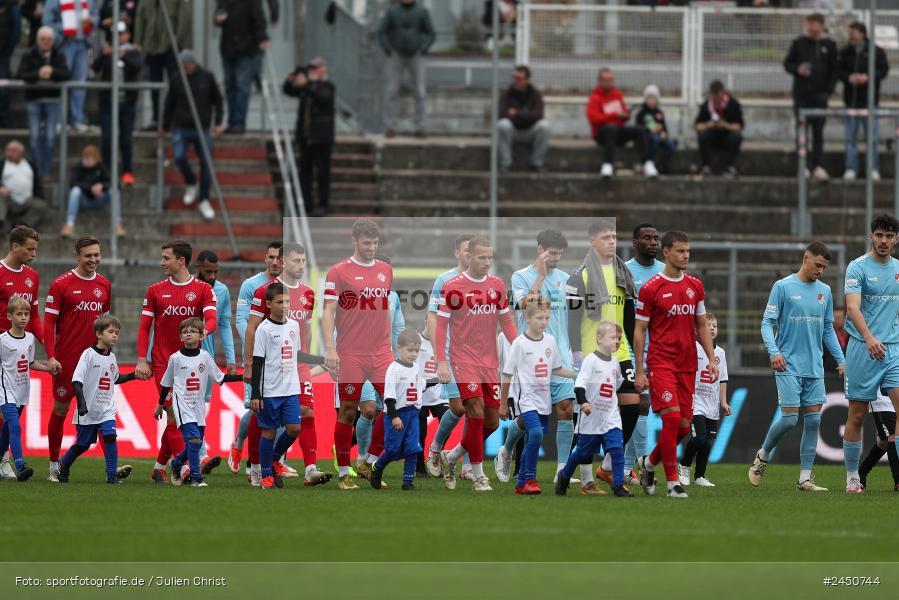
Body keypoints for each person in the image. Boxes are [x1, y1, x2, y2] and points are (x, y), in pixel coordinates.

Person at [750, 242, 843, 492]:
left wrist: (841, 360)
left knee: (813, 422)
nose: (821, 271)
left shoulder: (825, 290)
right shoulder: (783, 287)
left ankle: (804, 479)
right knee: (790, 420)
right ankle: (764, 453)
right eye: (817, 265)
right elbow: (766, 323)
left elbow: (828, 330)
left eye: (824, 267)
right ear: (806, 258)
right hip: (787, 364)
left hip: (814, 367)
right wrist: (774, 352)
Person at [634, 230, 717, 499]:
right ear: (666, 252)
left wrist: (712, 358)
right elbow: (639, 331)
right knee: (671, 420)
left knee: (682, 427)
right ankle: (672, 483)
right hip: (661, 362)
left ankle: (648, 464)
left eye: (688, 252)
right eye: (680, 251)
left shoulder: (695, 286)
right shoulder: (651, 289)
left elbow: (701, 324)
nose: (685, 256)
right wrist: (639, 368)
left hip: (687, 364)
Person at [435, 235, 518, 492]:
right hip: (462, 360)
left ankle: (452, 455)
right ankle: (478, 475)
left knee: (492, 423)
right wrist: (441, 362)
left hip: (489, 362)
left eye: (490, 257)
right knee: (476, 412)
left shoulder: (496, 284)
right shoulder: (452, 286)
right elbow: (440, 327)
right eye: (482, 257)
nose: (487, 262)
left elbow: (506, 322)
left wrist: (520, 349)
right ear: (468, 256)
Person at [245, 243, 330, 486]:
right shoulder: (265, 292)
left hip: (296, 363)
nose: (301, 265)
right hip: (270, 367)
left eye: (303, 260)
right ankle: (257, 466)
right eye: (296, 260)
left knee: (306, 414)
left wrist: (316, 358)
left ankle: (310, 467)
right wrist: (249, 364)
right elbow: (252, 327)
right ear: (282, 262)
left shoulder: (308, 293)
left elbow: (306, 333)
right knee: (260, 419)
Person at [498, 229, 576, 487]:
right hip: (531, 360)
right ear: (540, 249)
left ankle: (562, 471)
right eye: (552, 253)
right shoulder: (520, 276)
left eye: (559, 255)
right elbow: (522, 306)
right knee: (529, 417)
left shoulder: (566, 279)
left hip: (560, 355)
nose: (556, 259)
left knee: (566, 410)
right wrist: (541, 277)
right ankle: (507, 449)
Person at [567, 219, 640, 491]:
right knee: (589, 418)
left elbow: (630, 320)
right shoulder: (580, 275)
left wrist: (638, 357)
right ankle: (585, 481)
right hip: (592, 354)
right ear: (592, 240)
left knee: (633, 405)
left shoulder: (623, 274)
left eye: (614, 236)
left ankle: (608, 465)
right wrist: (576, 352)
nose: (612, 241)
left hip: (620, 353)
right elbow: (572, 320)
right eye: (606, 237)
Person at [136, 240, 217, 484]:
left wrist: (204, 332)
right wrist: (142, 359)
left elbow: (211, 318)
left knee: (175, 419)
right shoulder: (155, 290)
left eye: (166, 258)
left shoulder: (203, 289)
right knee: (173, 414)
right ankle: (184, 470)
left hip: (192, 365)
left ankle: (160, 466)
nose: (162, 262)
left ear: (181, 261)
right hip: (163, 362)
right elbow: (144, 327)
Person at [322, 220, 394, 490]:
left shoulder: (386, 270)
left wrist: (387, 341)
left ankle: (368, 462)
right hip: (350, 353)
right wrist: (330, 348)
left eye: (375, 243)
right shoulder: (338, 272)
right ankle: (343, 473)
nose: (371, 248)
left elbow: (384, 307)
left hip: (381, 353)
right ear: (354, 241)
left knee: (395, 405)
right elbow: (328, 311)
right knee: (349, 412)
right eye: (366, 243)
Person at [44, 236, 115, 482]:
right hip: (67, 360)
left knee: (103, 413)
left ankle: (111, 469)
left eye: (97, 255)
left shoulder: (104, 285)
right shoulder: (61, 284)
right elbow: (49, 322)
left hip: (96, 362)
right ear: (77, 256)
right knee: (61, 409)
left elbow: (105, 325)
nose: (93, 259)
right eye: (88, 255)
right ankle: (54, 465)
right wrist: (51, 356)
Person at [840, 215, 899, 493]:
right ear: (871, 237)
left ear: (896, 239)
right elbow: (852, 308)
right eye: (879, 235)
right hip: (863, 348)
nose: (884, 241)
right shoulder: (858, 268)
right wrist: (869, 337)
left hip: (893, 350)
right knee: (858, 415)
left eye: (889, 236)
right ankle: (853, 476)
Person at [500, 296, 575, 495]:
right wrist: (502, 403)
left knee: (535, 437)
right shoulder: (519, 343)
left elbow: (558, 368)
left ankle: (521, 483)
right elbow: (507, 373)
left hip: (544, 400)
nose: (544, 322)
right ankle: (530, 479)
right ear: (527, 317)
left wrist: (579, 375)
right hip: (526, 399)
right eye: (539, 318)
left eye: (547, 318)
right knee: (536, 434)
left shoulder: (550, 341)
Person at [156, 317, 242, 487]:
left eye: (193, 331)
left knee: (196, 442)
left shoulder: (205, 357)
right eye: (185, 332)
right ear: (180, 337)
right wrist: (160, 405)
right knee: (194, 440)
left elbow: (221, 377)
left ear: (202, 336)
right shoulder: (175, 358)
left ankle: (176, 463)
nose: (188, 334)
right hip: (182, 405)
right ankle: (196, 477)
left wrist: (243, 378)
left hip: (199, 407)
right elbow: (166, 384)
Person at [53, 315, 136, 484]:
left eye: (117, 333)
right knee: (83, 445)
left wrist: (134, 375)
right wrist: (82, 404)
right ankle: (63, 464)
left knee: (110, 436)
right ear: (99, 334)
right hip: (88, 410)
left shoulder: (112, 357)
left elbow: (116, 378)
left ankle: (112, 475)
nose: (115, 335)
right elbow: (76, 380)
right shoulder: (88, 354)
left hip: (106, 409)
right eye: (111, 332)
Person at [555, 320, 632, 498]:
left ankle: (618, 485)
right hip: (591, 418)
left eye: (619, 338)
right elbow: (580, 386)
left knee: (617, 449)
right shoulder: (590, 360)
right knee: (583, 453)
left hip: (611, 417)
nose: (617, 341)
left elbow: (618, 384)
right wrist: (584, 402)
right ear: (599, 339)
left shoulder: (615, 362)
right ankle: (564, 476)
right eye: (613, 337)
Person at [229, 241, 282, 475]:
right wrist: (254, 348)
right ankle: (239, 444)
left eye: (279, 258)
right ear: (265, 258)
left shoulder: (289, 286)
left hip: (282, 356)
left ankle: (273, 462)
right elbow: (241, 320)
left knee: (280, 408)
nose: (274, 262)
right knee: (255, 408)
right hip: (256, 354)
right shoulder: (250, 285)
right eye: (271, 257)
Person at [423, 234, 474, 478]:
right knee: (458, 407)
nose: (469, 255)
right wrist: (438, 352)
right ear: (457, 252)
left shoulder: (484, 281)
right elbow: (433, 315)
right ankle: (435, 449)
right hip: (452, 353)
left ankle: (464, 465)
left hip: (476, 355)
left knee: (476, 408)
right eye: (466, 251)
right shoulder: (444, 280)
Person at [369, 328, 440, 491]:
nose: (414, 354)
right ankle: (377, 467)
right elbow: (389, 396)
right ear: (399, 347)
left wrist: (437, 380)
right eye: (410, 350)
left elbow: (421, 385)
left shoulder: (415, 367)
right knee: (393, 449)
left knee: (413, 447)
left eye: (416, 350)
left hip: (413, 414)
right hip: (396, 414)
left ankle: (407, 482)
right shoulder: (393, 369)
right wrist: (394, 416)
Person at [623, 224, 665, 483]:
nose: (653, 242)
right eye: (647, 238)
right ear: (635, 241)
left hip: (659, 349)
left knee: (639, 409)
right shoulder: (625, 271)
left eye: (656, 238)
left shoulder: (664, 272)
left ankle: (627, 469)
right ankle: (642, 462)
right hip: (629, 347)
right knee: (640, 404)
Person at [161, 50, 224, 221]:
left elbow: (218, 101)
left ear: (194, 63)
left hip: (202, 127)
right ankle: (190, 182)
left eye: (188, 66)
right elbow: (169, 103)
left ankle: (203, 199)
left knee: (206, 162)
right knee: (179, 156)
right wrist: (164, 125)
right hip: (181, 126)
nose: (186, 69)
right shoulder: (176, 79)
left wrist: (218, 122)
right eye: (183, 66)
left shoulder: (207, 77)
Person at [0, 298, 58, 482]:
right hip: (5, 389)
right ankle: (20, 466)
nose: (24, 318)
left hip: (22, 390)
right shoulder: (2, 340)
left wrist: (47, 368)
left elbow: (30, 363)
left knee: (6, 431)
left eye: (26, 314)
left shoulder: (30, 338)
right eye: (19, 314)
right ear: (9, 316)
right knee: (15, 426)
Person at [192, 250, 235, 475]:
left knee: (199, 407)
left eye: (215, 272)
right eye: (208, 271)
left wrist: (231, 359)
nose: (212, 276)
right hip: (181, 358)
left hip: (205, 362)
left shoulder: (222, 291)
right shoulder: (187, 288)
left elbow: (224, 325)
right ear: (197, 266)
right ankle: (199, 454)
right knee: (189, 408)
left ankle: (180, 456)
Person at [784, 13, 838, 182]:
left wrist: (828, 91)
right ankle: (803, 165)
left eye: (814, 23)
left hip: (820, 96)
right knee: (802, 132)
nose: (811, 27)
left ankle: (817, 165)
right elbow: (787, 63)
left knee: (818, 132)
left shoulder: (829, 45)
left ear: (821, 25)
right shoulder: (799, 43)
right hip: (802, 96)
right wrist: (797, 69)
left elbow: (834, 70)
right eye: (809, 23)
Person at [678, 313, 730, 487]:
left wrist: (723, 402)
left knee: (707, 444)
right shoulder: (693, 348)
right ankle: (684, 465)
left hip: (712, 405)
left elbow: (723, 379)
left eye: (715, 325)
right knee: (699, 439)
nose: (713, 328)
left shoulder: (721, 353)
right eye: (709, 325)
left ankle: (700, 476)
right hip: (696, 403)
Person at [92, 20, 144, 187]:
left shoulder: (133, 51)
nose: (118, 38)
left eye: (121, 34)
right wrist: (104, 54)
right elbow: (95, 67)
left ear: (127, 35)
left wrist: (124, 55)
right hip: (108, 102)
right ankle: (107, 172)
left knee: (126, 139)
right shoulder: (107, 51)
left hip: (127, 102)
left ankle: (127, 172)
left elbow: (137, 67)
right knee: (107, 137)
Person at [284, 57, 335, 216]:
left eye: (315, 68)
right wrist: (290, 79)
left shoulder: (327, 86)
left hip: (322, 138)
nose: (312, 71)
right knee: (304, 172)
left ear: (323, 69)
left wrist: (306, 85)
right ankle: (306, 204)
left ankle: (323, 203)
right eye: (311, 68)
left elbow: (324, 99)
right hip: (306, 137)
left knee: (322, 172)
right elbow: (289, 91)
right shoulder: (307, 88)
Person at [838, 21, 889, 181]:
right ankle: (851, 167)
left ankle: (872, 168)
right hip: (851, 102)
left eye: (853, 32)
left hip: (870, 102)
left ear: (862, 33)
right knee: (850, 138)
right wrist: (849, 78)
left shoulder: (876, 51)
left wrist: (868, 77)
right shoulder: (845, 52)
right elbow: (839, 71)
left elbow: (883, 70)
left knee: (871, 139)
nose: (851, 36)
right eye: (850, 33)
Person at [17, 26, 70, 178]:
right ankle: (36, 172)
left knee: (49, 138)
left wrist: (52, 72)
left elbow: (66, 74)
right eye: (43, 39)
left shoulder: (58, 55)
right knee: (34, 138)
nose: (46, 42)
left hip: (52, 101)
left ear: (53, 41)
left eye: (49, 39)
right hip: (34, 100)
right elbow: (21, 74)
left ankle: (45, 172)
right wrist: (38, 73)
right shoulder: (29, 54)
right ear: (37, 40)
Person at [586, 68, 658, 179]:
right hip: (602, 134)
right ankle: (607, 165)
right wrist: (614, 115)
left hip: (618, 131)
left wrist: (625, 115)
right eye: (606, 80)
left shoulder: (617, 94)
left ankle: (647, 163)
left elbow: (622, 113)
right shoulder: (595, 98)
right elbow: (594, 118)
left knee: (639, 130)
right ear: (600, 81)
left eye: (611, 80)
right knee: (610, 128)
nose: (609, 83)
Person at [378, 0, 435, 138]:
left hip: (416, 54)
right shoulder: (392, 11)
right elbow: (382, 32)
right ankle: (390, 126)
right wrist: (388, 49)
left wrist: (423, 48)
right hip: (396, 54)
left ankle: (420, 127)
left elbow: (431, 33)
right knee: (391, 90)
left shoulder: (422, 11)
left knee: (420, 91)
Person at [133, 0, 192, 129]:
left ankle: (173, 118)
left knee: (175, 83)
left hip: (170, 45)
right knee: (155, 84)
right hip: (152, 46)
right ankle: (156, 118)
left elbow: (185, 17)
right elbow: (140, 18)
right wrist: (138, 41)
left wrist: (177, 41)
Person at [214, 0, 269, 134]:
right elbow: (217, 17)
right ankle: (232, 122)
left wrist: (262, 38)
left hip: (246, 49)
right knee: (230, 86)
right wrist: (218, 20)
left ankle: (238, 122)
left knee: (242, 86)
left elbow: (259, 19)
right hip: (227, 49)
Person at [42, 0, 96, 132]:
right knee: (61, 80)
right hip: (65, 43)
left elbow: (95, 16)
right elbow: (47, 20)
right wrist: (65, 27)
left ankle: (77, 119)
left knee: (79, 84)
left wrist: (90, 22)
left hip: (82, 44)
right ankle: (59, 120)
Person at [496, 65, 549, 172]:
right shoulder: (506, 94)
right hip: (512, 132)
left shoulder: (535, 94)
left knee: (544, 126)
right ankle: (505, 164)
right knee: (502, 125)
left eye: (519, 78)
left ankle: (536, 164)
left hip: (530, 131)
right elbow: (502, 114)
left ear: (527, 80)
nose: (516, 81)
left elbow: (539, 115)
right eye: (514, 77)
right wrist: (527, 115)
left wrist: (516, 113)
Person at [63, 144, 124, 238]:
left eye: (89, 158)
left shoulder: (102, 168)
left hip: (100, 199)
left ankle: (118, 225)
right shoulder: (78, 168)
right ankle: (69, 224)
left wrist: (102, 186)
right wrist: (90, 188)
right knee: (75, 191)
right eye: (85, 158)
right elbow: (73, 183)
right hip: (84, 200)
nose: (86, 161)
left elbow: (114, 182)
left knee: (114, 191)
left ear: (96, 159)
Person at [0, 226, 44, 342]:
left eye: (35, 249)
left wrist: (45, 341)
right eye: (29, 249)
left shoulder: (33, 275)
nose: (34, 254)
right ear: (15, 247)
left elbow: (34, 315)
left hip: (24, 346)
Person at [694, 80, 744, 178]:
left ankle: (729, 166)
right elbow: (697, 125)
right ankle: (706, 166)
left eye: (717, 95)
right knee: (703, 135)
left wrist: (725, 125)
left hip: (727, 136)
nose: (715, 98)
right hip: (712, 136)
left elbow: (739, 126)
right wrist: (709, 124)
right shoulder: (706, 106)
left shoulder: (733, 104)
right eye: (713, 95)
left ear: (722, 93)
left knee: (736, 137)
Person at [414, 328, 445, 475]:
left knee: (448, 419)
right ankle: (419, 467)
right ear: (426, 322)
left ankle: (435, 449)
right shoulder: (417, 340)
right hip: (420, 394)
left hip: (439, 393)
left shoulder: (444, 341)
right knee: (420, 433)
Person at [0, 141, 48, 231]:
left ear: (21, 152)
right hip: (9, 200)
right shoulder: (2, 164)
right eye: (8, 150)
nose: (9, 152)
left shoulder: (30, 164)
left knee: (41, 205)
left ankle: (22, 225)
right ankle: (1, 224)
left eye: (13, 150)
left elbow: (37, 183)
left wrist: (39, 196)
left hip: (27, 200)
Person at [858, 392, 899, 492]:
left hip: (896, 395)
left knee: (883, 442)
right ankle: (898, 481)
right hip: (883, 399)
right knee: (892, 435)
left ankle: (861, 472)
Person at [634, 84, 676, 174]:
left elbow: (664, 127)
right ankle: (649, 162)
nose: (651, 100)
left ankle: (661, 166)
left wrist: (664, 133)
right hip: (647, 136)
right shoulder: (641, 112)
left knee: (671, 144)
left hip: (659, 135)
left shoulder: (659, 113)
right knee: (655, 139)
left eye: (653, 98)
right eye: (649, 98)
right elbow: (638, 129)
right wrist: (649, 130)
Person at [0, 0, 21, 129]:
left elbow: (16, 31)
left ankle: (3, 117)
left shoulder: (11, 6)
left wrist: (7, 50)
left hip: (3, 54)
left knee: (3, 88)